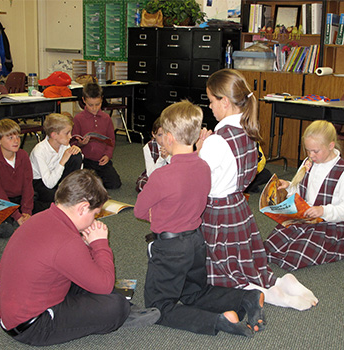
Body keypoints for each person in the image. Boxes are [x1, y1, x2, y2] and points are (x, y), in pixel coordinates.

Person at [134, 100, 266, 338]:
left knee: (158, 308)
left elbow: (140, 211)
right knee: (195, 292)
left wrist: (161, 213)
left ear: (171, 137)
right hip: (196, 242)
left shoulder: (162, 175)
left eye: (162, 134)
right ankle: (246, 296)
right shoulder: (203, 166)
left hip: (170, 247)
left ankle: (217, 321)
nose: (161, 139)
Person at [197, 69, 318, 310]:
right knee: (245, 264)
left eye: (211, 101)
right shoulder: (248, 131)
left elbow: (199, 181)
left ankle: (269, 295)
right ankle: (281, 282)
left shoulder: (216, 140)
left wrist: (198, 151)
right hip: (239, 208)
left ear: (224, 101)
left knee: (226, 275)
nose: (210, 107)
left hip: (218, 213)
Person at [0, 169, 160, 346]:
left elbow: (78, 262)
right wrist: (99, 244)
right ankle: (119, 315)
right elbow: (104, 285)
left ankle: (113, 307)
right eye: (95, 214)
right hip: (33, 326)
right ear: (82, 208)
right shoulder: (66, 241)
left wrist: (87, 245)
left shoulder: (44, 218)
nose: (95, 219)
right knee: (115, 306)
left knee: (91, 279)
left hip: (16, 312)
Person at [264, 120, 344, 271]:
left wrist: (323, 210)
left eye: (315, 151)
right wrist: (288, 186)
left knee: (294, 258)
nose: (310, 155)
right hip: (305, 218)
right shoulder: (309, 162)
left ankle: (336, 247)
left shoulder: (341, 171)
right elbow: (299, 190)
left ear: (331, 145)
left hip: (329, 224)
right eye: (308, 151)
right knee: (269, 246)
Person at [72, 82, 121, 190]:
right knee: (85, 185)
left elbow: (111, 140)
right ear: (84, 100)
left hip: (101, 159)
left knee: (114, 184)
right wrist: (80, 143)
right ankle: (94, 180)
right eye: (90, 105)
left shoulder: (106, 118)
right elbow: (72, 142)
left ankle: (96, 180)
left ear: (102, 100)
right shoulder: (78, 119)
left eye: (97, 104)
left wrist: (107, 155)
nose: (94, 108)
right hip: (85, 160)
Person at [30, 113, 83, 209]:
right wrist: (62, 161)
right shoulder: (39, 151)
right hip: (41, 182)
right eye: (67, 133)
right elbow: (49, 184)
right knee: (57, 198)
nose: (70, 136)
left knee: (76, 155)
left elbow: (78, 167)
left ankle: (67, 194)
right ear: (54, 135)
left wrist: (77, 152)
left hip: (56, 176)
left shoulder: (64, 144)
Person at [0, 119, 34, 238]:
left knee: (42, 208)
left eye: (17, 136)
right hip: (0, 201)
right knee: (3, 227)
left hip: (19, 198)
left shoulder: (23, 155)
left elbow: (28, 184)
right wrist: (18, 216)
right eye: (10, 138)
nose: (16, 140)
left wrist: (26, 212)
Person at [136, 117, 171, 192]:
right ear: (153, 134)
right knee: (142, 184)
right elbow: (150, 174)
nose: (163, 139)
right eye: (159, 135)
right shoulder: (148, 147)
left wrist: (168, 157)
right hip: (155, 173)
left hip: (172, 174)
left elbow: (179, 167)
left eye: (166, 134)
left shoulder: (174, 144)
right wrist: (161, 159)